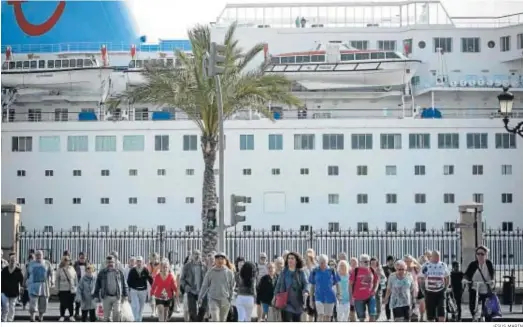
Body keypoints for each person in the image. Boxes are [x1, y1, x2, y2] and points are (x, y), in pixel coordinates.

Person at [198, 252, 235, 322]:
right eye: (218, 259)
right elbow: (204, 285)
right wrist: (200, 297)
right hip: (213, 299)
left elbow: (231, 287)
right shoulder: (210, 272)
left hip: (225, 300)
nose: (220, 261)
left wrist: (230, 298)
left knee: (222, 320)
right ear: (215, 260)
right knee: (215, 319)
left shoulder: (229, 273)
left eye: (222, 259)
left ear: (224, 260)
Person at [273, 251, 308, 322]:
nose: (290, 260)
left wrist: (305, 291)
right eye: (288, 258)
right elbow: (278, 285)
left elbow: (305, 284)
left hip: (298, 303)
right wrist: (275, 296)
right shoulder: (284, 272)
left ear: (296, 261)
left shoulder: (301, 272)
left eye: (292, 258)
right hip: (286, 303)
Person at [464, 245, 495, 321]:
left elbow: (492, 274)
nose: (480, 256)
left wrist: (492, 281)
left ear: (486, 255)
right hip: (475, 288)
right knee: (473, 306)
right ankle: (474, 317)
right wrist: (465, 280)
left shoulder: (489, 264)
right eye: (478, 254)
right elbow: (467, 275)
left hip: (486, 288)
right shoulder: (473, 264)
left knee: (488, 309)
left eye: (482, 254)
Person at [94, 255, 128, 322]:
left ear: (115, 263)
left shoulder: (119, 272)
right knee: (106, 317)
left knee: (117, 313)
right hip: (106, 297)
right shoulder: (102, 273)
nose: (110, 264)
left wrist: (125, 294)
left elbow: (124, 284)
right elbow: (97, 285)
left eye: (112, 262)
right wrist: (96, 295)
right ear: (106, 263)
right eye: (109, 262)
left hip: (117, 296)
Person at [420, 250, 449, 322]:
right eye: (435, 256)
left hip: (440, 292)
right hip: (429, 292)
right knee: (430, 315)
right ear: (431, 257)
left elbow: (447, 277)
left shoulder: (443, 265)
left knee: (442, 312)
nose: (437, 258)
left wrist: (445, 288)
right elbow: (421, 278)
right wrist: (423, 290)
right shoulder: (425, 265)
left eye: (438, 256)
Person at [309, 254, 340, 321]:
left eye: (324, 262)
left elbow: (337, 283)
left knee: (328, 316)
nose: (322, 264)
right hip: (318, 296)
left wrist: (338, 294)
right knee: (320, 315)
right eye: (320, 262)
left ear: (327, 262)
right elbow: (312, 286)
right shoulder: (314, 271)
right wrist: (311, 299)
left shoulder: (332, 270)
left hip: (330, 296)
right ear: (318, 262)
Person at [25, 250, 53, 322]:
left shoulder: (47, 263)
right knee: (33, 302)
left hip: (44, 286)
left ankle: (41, 317)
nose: (38, 256)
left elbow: (51, 273)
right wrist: (23, 283)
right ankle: (32, 317)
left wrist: (52, 281)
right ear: (35, 256)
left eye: (40, 255)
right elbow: (26, 274)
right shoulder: (31, 264)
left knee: (43, 302)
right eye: (37, 255)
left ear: (42, 255)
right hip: (33, 286)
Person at [350, 254, 379, 322]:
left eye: (368, 261)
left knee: (372, 315)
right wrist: (351, 297)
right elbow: (350, 285)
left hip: (370, 296)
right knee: (361, 318)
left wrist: (375, 290)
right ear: (360, 262)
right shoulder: (355, 271)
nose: (368, 263)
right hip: (358, 297)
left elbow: (376, 281)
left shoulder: (372, 270)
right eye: (365, 261)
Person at [180, 250, 207, 322]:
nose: (197, 256)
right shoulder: (187, 266)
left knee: (203, 309)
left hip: (201, 291)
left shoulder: (204, 266)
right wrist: (185, 286)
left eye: (198, 254)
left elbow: (207, 279)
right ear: (192, 255)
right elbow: (182, 279)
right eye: (195, 254)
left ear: (201, 256)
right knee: (192, 312)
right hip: (191, 291)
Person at [127, 256, 153, 322]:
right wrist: (131, 289)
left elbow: (150, 279)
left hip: (143, 291)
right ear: (136, 262)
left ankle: (139, 320)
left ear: (142, 262)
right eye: (138, 261)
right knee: (136, 306)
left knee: (141, 307)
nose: (139, 263)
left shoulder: (145, 270)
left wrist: (153, 287)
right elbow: (129, 281)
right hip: (134, 290)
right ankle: (136, 319)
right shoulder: (132, 270)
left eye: (140, 261)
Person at [1, 254, 24, 322]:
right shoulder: (4, 270)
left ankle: (10, 320)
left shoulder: (18, 271)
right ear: (9, 261)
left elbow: (21, 281)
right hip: (4, 291)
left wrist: (22, 288)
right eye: (11, 260)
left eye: (14, 261)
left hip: (14, 292)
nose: (12, 262)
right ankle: (3, 319)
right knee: (5, 307)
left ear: (16, 261)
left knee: (12, 307)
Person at [55, 255, 78, 321]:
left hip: (71, 288)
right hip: (62, 288)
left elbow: (75, 278)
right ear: (62, 261)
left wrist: (76, 287)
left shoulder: (72, 268)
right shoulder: (60, 269)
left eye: (68, 260)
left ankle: (71, 315)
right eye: (65, 260)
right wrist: (57, 289)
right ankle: (62, 315)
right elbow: (57, 280)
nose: (66, 261)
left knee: (71, 303)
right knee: (63, 303)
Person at [404, 254, 424, 321]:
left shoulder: (414, 268)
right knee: (407, 308)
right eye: (406, 261)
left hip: (415, 290)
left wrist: (414, 261)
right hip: (405, 291)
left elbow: (421, 268)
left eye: (409, 260)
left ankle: (415, 317)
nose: (408, 262)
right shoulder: (403, 269)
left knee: (415, 307)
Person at [303, 249, 318, 322]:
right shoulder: (303, 268)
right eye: (307, 255)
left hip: (316, 292)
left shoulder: (317, 267)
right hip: (307, 293)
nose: (308, 257)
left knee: (317, 314)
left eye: (310, 255)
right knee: (309, 314)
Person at [73, 252, 89, 319]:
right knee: (78, 300)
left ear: (86, 258)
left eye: (84, 257)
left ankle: (84, 314)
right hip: (78, 284)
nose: (82, 259)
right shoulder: (75, 264)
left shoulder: (88, 264)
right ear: (79, 257)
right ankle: (76, 313)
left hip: (86, 284)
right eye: (81, 257)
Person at [255, 252, 269, 321]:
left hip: (266, 287)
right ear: (259, 258)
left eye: (264, 257)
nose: (263, 259)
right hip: (259, 286)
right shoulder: (256, 266)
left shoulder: (268, 265)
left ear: (266, 258)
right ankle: (259, 318)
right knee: (258, 304)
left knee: (265, 303)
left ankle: (264, 317)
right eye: (262, 257)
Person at [382, 255, 396, 321]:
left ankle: (396, 317)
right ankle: (388, 318)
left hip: (395, 289)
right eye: (389, 261)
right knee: (387, 303)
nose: (391, 262)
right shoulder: (384, 268)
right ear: (387, 261)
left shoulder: (396, 268)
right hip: (386, 289)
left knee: (395, 303)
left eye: (392, 260)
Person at [147, 253, 161, 317]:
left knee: (156, 298)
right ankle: (154, 311)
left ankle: (154, 311)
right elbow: (148, 274)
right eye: (153, 258)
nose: (154, 260)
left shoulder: (160, 265)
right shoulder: (149, 265)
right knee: (152, 298)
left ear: (158, 258)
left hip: (158, 283)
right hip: (151, 283)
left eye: (156, 258)